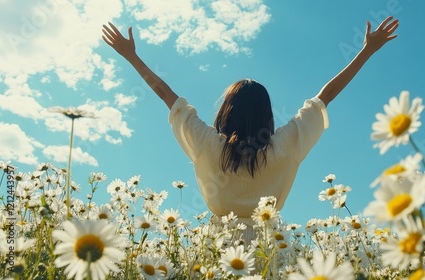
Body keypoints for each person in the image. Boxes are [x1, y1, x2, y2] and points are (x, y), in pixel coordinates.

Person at [102, 16, 398, 241]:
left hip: (217, 250)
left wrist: (131, 56)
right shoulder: (286, 146)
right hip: (271, 252)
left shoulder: (207, 144)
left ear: (225, 112)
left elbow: (167, 96)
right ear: (267, 117)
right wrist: (367, 50)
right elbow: (326, 97)